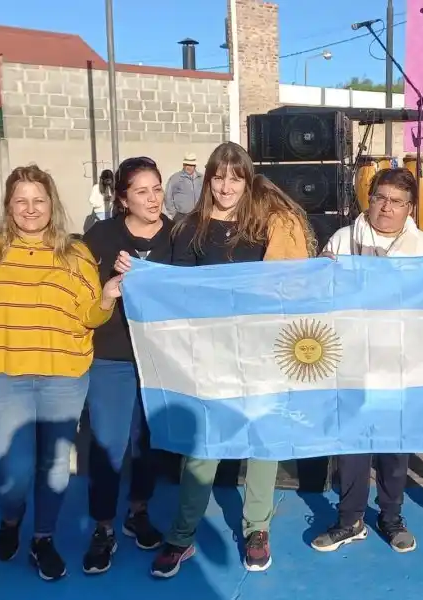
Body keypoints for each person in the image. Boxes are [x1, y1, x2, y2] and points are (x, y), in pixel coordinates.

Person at [119, 141, 314, 579]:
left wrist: (324, 269)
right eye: (219, 177)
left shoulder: (266, 226)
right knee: (203, 447)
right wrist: (140, 276)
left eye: (236, 178)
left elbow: (292, 280)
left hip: (260, 352)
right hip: (209, 356)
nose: (226, 187)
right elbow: (176, 291)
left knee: (262, 441)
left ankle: (257, 529)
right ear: (208, 179)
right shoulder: (190, 228)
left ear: (247, 181)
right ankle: (182, 535)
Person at [0, 165, 119, 582]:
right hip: (4, 376)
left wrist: (107, 298)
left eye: (38, 200)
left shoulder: (76, 255)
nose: (30, 208)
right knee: (13, 474)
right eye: (21, 200)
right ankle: (11, 519)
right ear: (8, 206)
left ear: (52, 204)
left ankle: (42, 538)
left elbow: (90, 316)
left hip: (63, 376)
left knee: (54, 467)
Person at [309, 167, 423, 555]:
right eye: (380, 197)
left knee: (394, 445)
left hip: (399, 361)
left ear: (410, 207)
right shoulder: (344, 239)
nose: (386, 207)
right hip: (351, 360)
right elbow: (320, 296)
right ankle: (350, 520)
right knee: (353, 445)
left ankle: (391, 517)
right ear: (369, 198)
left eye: (397, 201)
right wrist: (320, 273)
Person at [81, 156, 172, 574]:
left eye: (157, 189)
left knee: (146, 443)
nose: (153, 198)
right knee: (108, 445)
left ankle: (138, 512)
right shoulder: (100, 238)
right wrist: (108, 287)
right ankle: (103, 526)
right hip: (112, 358)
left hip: (158, 359)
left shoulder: (179, 236)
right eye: (142, 191)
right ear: (122, 199)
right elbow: (83, 298)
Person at [164, 152, 203, 221]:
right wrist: (174, 214)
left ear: (195, 166)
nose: (189, 167)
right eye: (187, 164)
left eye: (191, 165)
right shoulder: (175, 178)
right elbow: (168, 197)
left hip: (198, 215)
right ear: (183, 165)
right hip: (181, 216)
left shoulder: (201, 178)